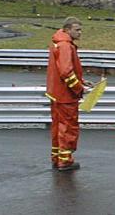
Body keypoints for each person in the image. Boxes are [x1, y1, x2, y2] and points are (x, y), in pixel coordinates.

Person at [45, 17, 93, 171]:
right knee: (68, 128)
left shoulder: (58, 42)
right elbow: (66, 72)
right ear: (67, 29)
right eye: (77, 29)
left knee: (57, 127)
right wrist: (78, 88)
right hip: (66, 96)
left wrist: (82, 80)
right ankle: (65, 161)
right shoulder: (66, 46)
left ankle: (57, 157)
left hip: (56, 93)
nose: (80, 32)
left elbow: (63, 70)